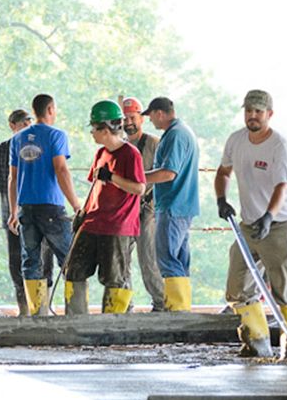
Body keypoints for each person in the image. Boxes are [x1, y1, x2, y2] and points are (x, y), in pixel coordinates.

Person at [214, 89, 287, 359]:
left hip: (280, 224)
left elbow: (282, 185)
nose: (252, 116)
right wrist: (221, 199)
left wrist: (269, 216)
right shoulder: (236, 140)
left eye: (258, 112)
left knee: (284, 290)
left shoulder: (279, 145)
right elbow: (223, 172)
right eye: (249, 111)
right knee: (237, 287)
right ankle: (258, 340)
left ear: (269, 115)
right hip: (249, 224)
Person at [64, 100, 146, 315]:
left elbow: (140, 188)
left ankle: (112, 325)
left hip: (117, 227)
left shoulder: (130, 154)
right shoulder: (101, 154)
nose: (92, 132)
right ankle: (75, 323)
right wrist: (82, 212)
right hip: (92, 223)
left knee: (114, 277)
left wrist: (112, 177)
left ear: (105, 128)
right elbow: (95, 188)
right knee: (74, 270)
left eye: (93, 127)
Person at [0, 108, 54, 315]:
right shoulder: (4, 149)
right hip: (13, 218)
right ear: (12, 126)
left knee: (43, 259)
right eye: (22, 124)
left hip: (40, 213)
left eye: (29, 123)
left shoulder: (40, 146)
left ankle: (43, 308)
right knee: (17, 261)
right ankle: (24, 309)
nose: (26, 127)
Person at [8, 93, 83, 315]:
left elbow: (13, 177)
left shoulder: (17, 139)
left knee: (30, 261)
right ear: (50, 109)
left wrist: (13, 211)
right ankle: (77, 314)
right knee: (71, 259)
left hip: (26, 209)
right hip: (51, 207)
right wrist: (77, 205)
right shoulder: (56, 135)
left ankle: (37, 314)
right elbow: (61, 169)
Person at [143, 97, 201, 311]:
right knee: (179, 259)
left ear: (159, 113)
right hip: (183, 205)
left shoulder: (176, 135)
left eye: (150, 115)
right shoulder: (182, 131)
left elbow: (168, 173)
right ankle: (182, 309)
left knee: (167, 259)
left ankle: (176, 312)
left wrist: (138, 177)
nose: (150, 120)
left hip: (173, 204)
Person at [120, 97, 164, 311]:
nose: (128, 122)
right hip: (124, 210)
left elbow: (165, 175)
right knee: (121, 259)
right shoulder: (118, 146)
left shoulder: (154, 144)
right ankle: (124, 303)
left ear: (141, 119)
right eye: (125, 118)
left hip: (147, 208)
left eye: (132, 117)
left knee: (148, 258)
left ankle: (161, 302)